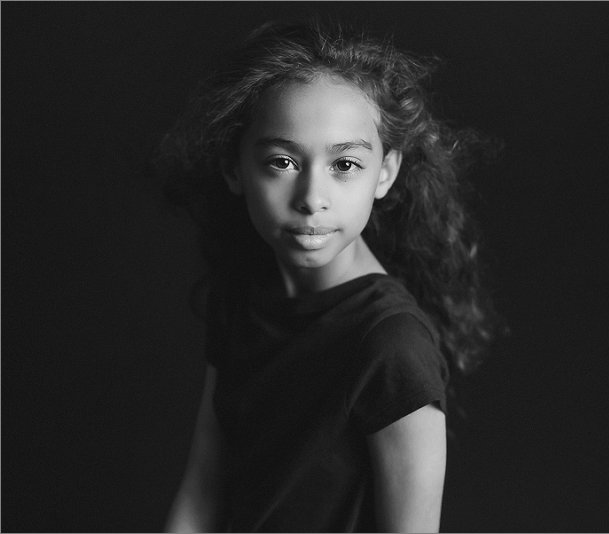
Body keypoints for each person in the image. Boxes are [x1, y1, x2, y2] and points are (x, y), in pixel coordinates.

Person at [158, 19, 502, 533]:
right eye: (282, 161)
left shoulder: (392, 347)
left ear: (385, 173)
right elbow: (203, 489)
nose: (312, 198)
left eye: (344, 165)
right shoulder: (242, 296)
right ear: (235, 167)